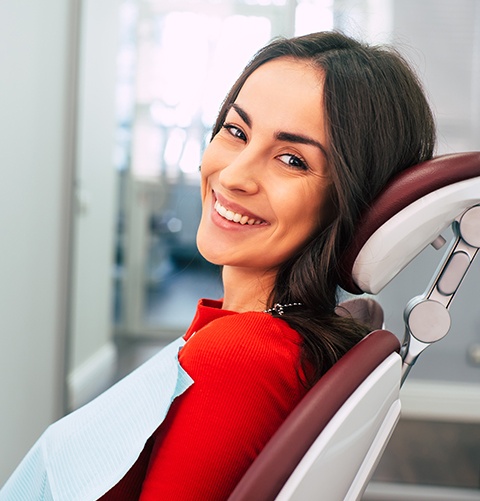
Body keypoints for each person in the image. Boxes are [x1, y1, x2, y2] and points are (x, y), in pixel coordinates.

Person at [1, 30, 436, 500]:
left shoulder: (241, 358)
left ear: (353, 199)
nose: (232, 176)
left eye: (291, 159)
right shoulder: (258, 336)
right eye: (236, 131)